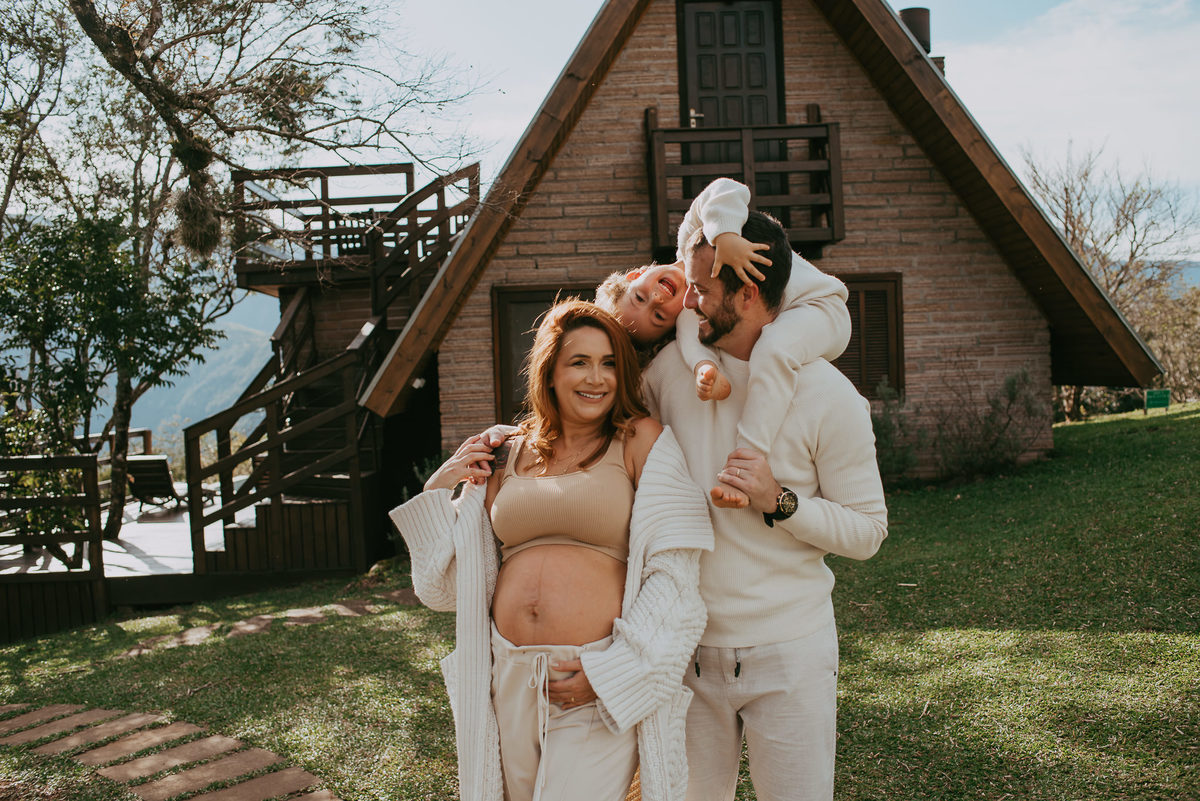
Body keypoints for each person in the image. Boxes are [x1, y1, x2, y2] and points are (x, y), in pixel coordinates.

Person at [389, 299, 714, 801]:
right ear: (551, 372)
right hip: (509, 675)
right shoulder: (507, 451)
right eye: (579, 362)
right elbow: (445, 587)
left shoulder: (638, 440)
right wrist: (440, 485)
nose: (596, 378)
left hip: (589, 675)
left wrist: (613, 674)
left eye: (608, 363)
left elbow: (675, 572)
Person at [640, 210, 888, 801]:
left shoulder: (830, 396)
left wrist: (778, 501)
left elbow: (868, 532)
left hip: (791, 656)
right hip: (686, 654)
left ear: (748, 294)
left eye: (701, 289)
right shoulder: (670, 376)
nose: (689, 303)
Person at [595, 178, 851, 509]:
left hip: (822, 308)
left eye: (641, 296)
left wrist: (725, 234)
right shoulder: (691, 310)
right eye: (658, 316)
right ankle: (747, 470)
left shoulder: (693, 236)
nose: (657, 298)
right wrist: (707, 371)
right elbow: (692, 347)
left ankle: (747, 461)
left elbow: (727, 189)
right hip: (791, 319)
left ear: (636, 275)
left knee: (772, 350)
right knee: (769, 349)